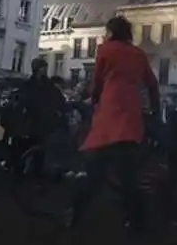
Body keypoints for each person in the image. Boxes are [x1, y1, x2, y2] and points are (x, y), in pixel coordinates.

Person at [68, 15, 161, 233]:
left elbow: (97, 82)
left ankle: (74, 215)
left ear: (111, 32)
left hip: (108, 119)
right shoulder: (138, 54)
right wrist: (155, 110)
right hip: (130, 119)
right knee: (128, 178)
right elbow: (152, 84)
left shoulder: (105, 50)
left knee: (93, 174)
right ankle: (138, 222)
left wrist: (94, 98)